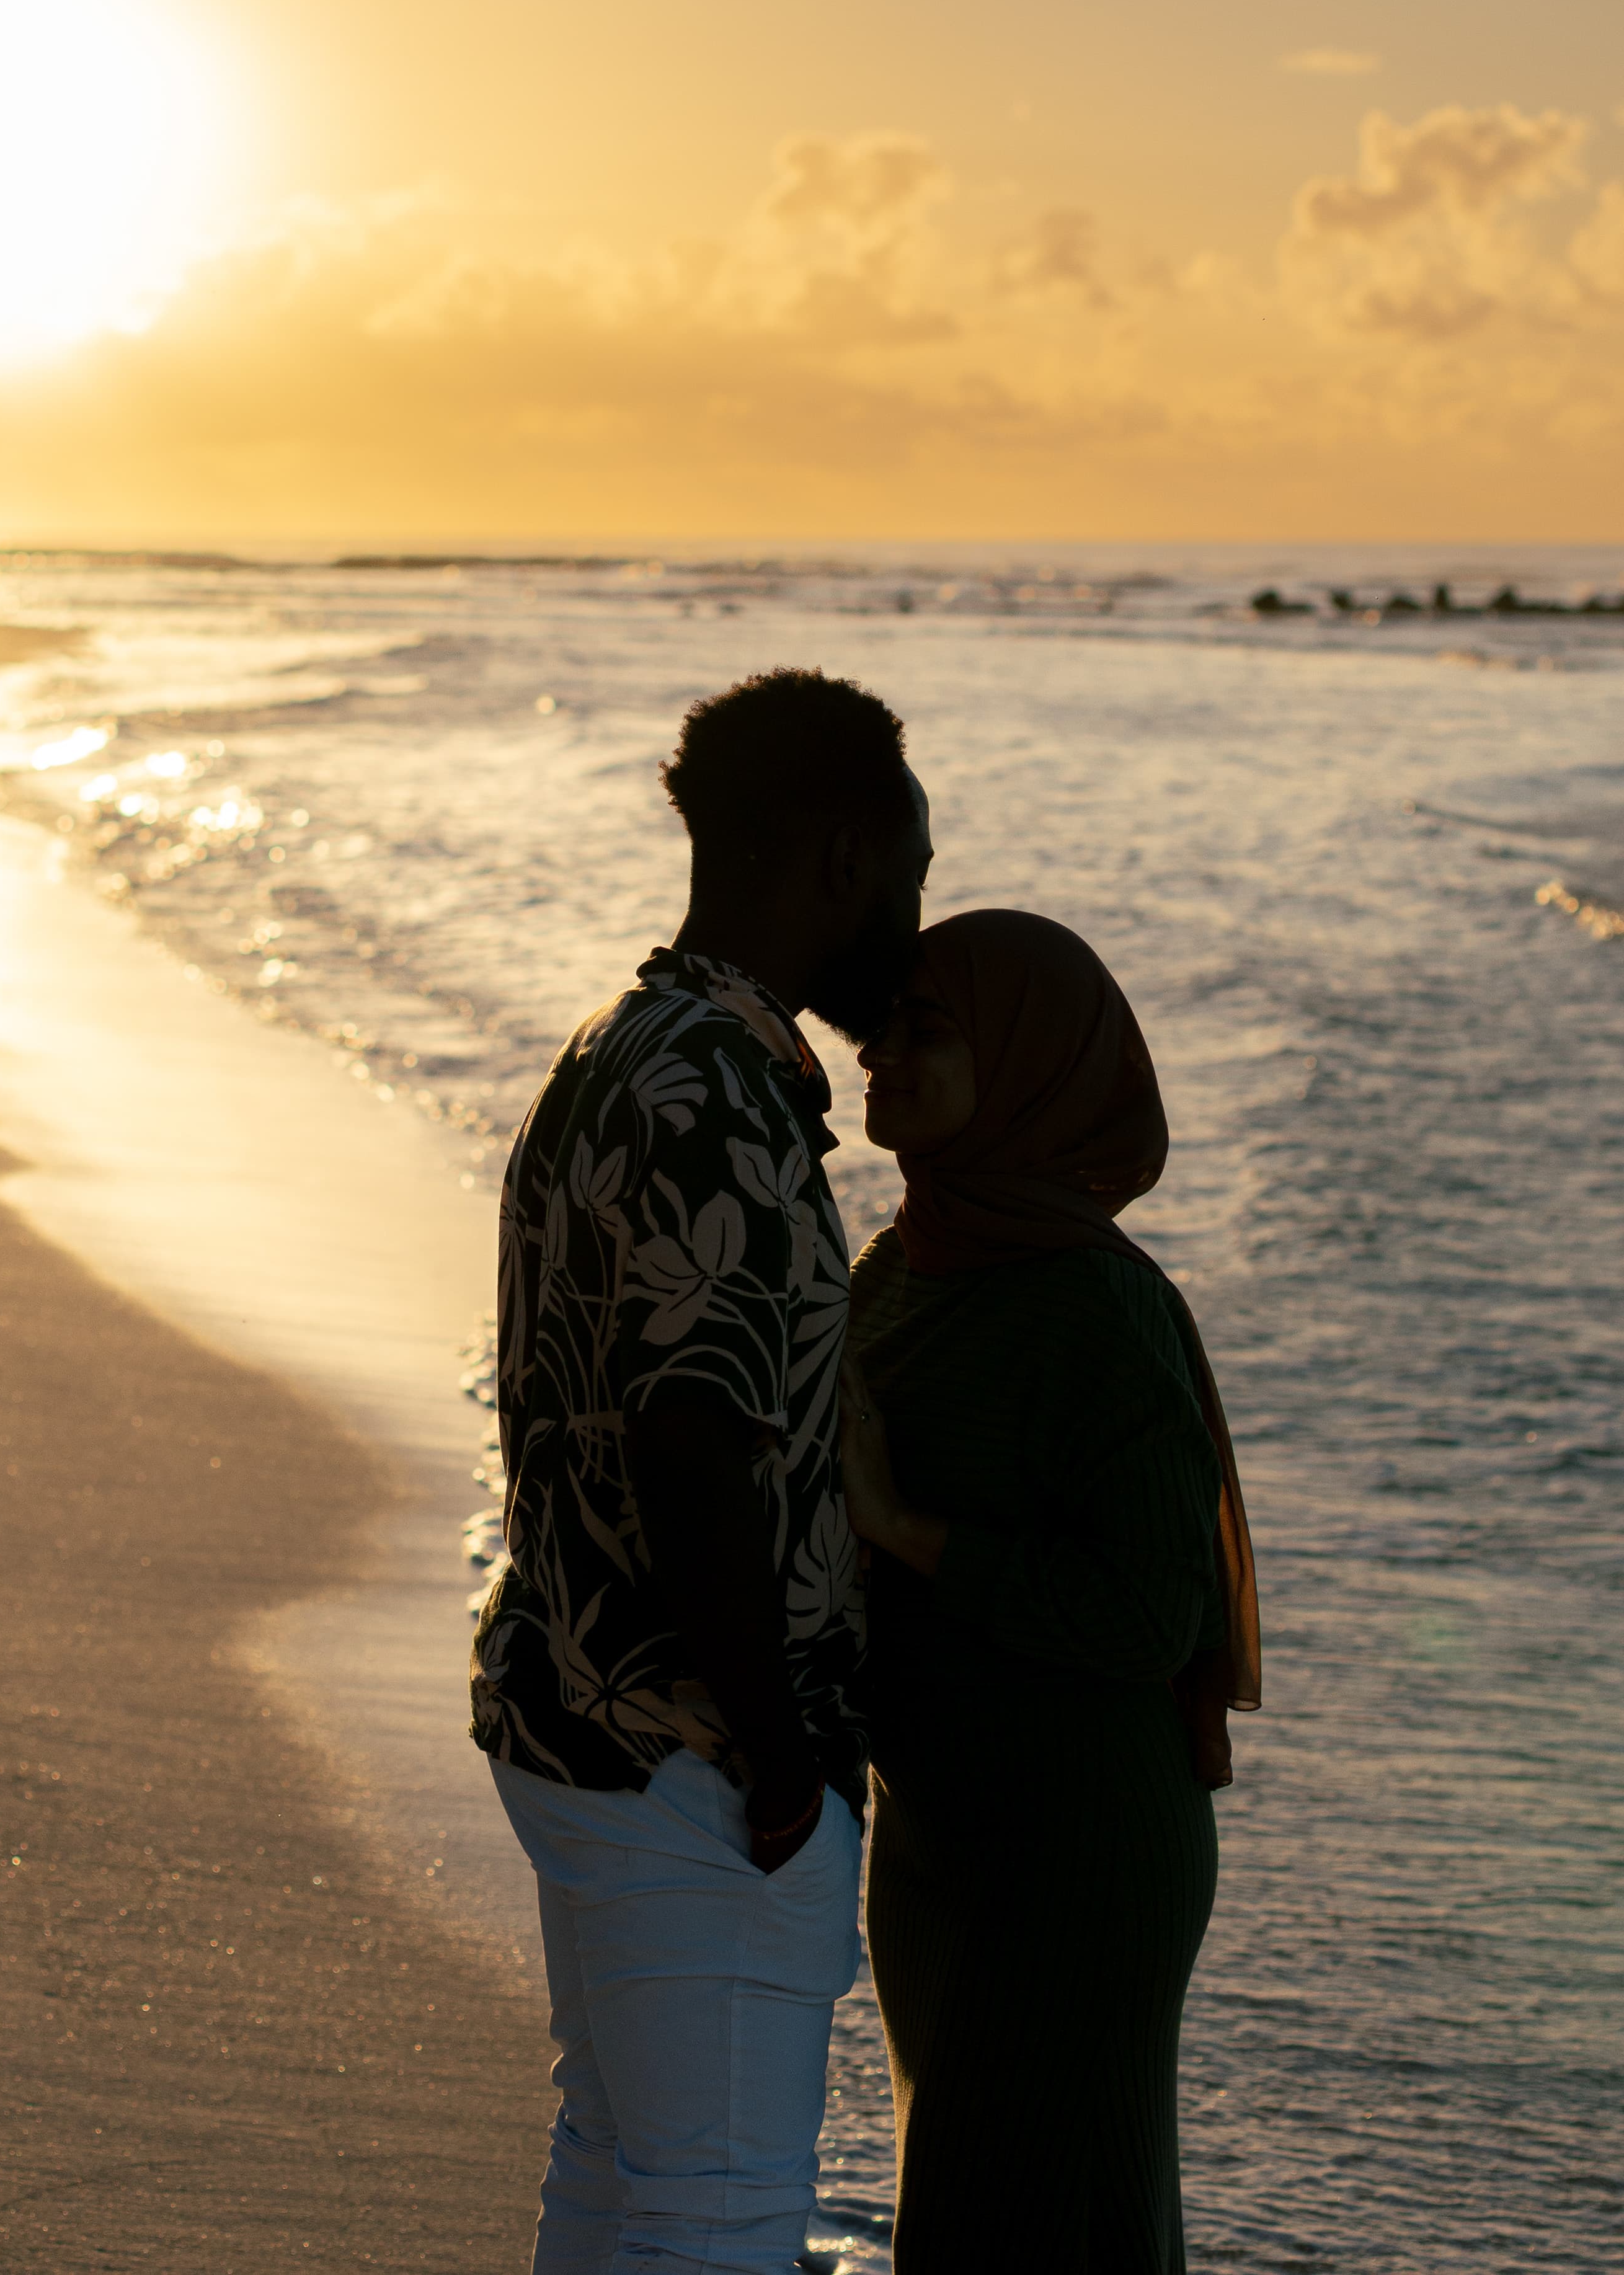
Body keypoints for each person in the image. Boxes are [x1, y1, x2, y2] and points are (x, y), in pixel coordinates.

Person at [471, 667, 935, 2274]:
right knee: (717, 2219)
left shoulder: (625, 1044)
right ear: (839, 858)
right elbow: (692, 1444)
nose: (914, 916)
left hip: (577, 1707)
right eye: (911, 871)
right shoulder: (720, 1105)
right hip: (689, 1756)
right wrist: (782, 1747)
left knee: (620, 2181)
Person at [838, 909, 1259, 2274]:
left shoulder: (1096, 1307)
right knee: (965, 2217)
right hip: (938, 1832)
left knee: (1032, 2223)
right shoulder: (898, 1264)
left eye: (925, 1030)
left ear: (1024, 1062)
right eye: (878, 1023)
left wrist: (908, 1531)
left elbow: (1151, 1614)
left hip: (1076, 1850)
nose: (877, 1052)